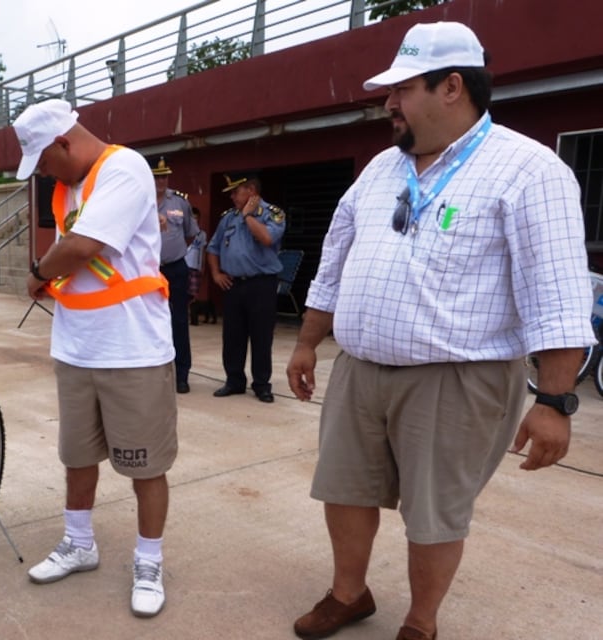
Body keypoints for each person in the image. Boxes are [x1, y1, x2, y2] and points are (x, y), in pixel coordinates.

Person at [285, 22, 595, 640]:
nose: (388, 104)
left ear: (452, 86)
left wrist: (555, 400)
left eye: (401, 90)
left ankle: (421, 623)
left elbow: (558, 291)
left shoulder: (528, 169)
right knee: (343, 490)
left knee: (434, 514)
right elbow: (336, 259)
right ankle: (350, 594)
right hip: (361, 369)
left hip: (458, 377)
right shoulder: (380, 169)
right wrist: (306, 340)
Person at [13, 99, 178, 618]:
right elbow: (76, 258)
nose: (43, 173)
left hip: (133, 351)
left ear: (63, 142)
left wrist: (39, 271)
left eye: (43, 161)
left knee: (145, 466)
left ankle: (148, 561)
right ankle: (78, 542)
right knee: (77, 457)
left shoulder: (123, 168)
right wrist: (53, 279)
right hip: (76, 345)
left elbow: (83, 245)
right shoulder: (68, 187)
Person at [206, 173, 286, 403]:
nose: (231, 197)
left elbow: (267, 239)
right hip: (233, 284)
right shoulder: (228, 218)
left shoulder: (273, 214)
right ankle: (234, 381)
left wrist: (248, 216)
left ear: (250, 191)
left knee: (261, 336)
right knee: (232, 336)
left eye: (235, 191)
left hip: (261, 284)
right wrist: (215, 273)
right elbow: (213, 248)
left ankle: (262, 384)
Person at [152, 157, 199, 393]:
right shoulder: (140, 201)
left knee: (179, 320)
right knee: (149, 321)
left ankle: (182, 374)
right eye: (156, 176)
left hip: (175, 268)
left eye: (164, 176)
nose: (161, 180)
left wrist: (172, 248)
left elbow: (191, 233)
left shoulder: (180, 202)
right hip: (148, 271)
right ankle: (153, 372)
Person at [185, 207, 209, 324]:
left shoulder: (202, 234)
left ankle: (191, 314)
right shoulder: (184, 232)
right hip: (185, 265)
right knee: (183, 291)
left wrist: (203, 265)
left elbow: (203, 251)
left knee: (193, 293)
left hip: (195, 266)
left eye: (196, 219)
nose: (195, 221)